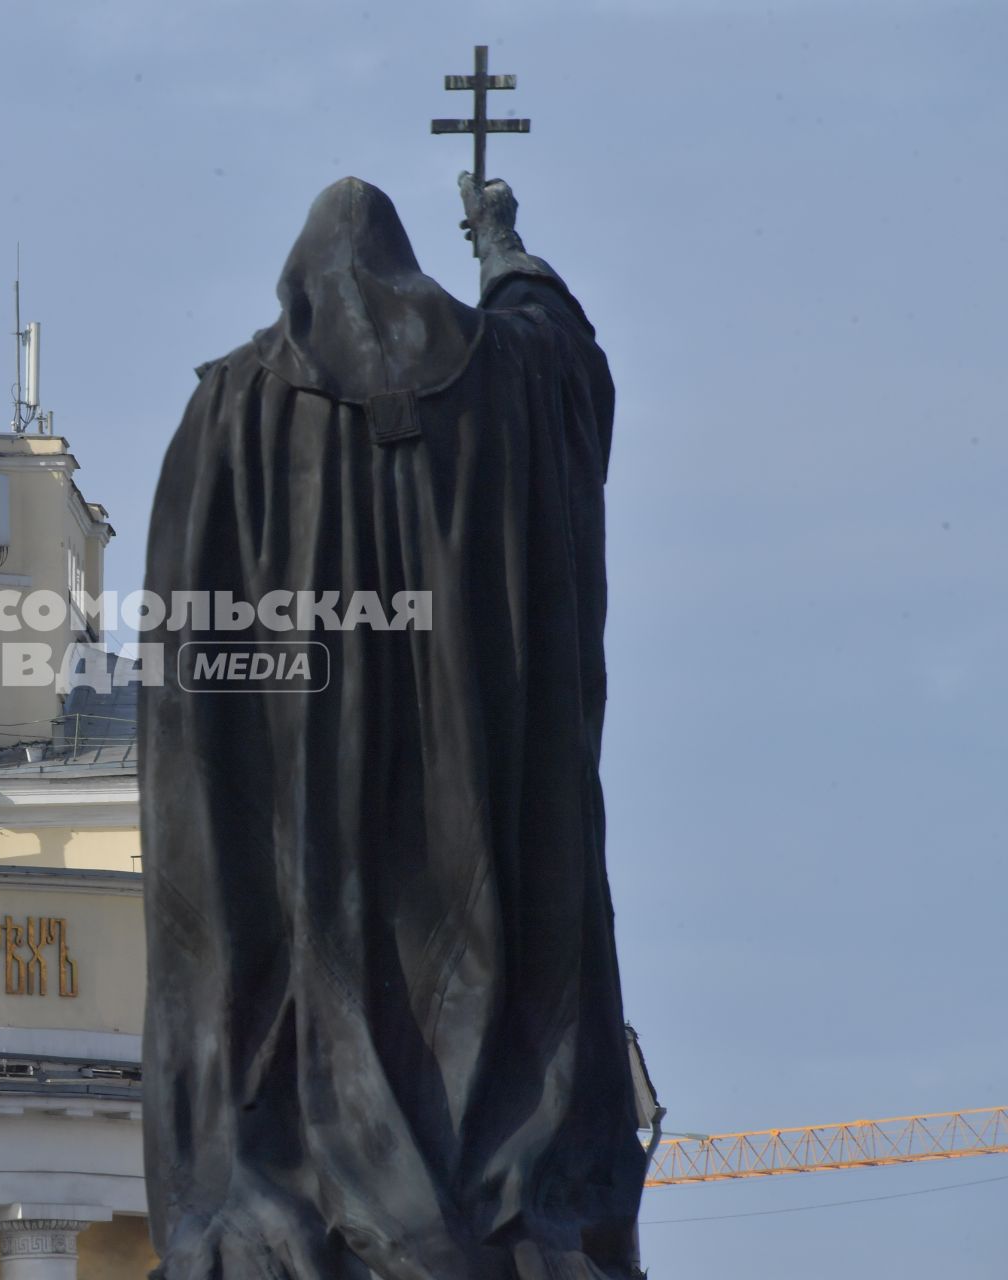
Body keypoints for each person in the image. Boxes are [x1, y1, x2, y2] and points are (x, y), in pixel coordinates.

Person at [139, 174, 646, 1280]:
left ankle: (330, 1155)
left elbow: (189, 654)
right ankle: (490, 1171)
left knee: (329, 970)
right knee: (498, 974)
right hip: (495, 796)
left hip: (305, 820)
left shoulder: (233, 405)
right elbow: (575, 363)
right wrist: (505, 245)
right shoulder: (510, 376)